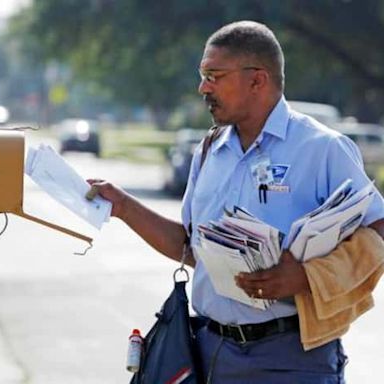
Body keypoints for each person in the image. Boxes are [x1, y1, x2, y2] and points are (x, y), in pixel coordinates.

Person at [89, 20, 384, 383]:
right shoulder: (210, 150)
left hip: (294, 358)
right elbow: (191, 247)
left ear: (257, 80)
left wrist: (306, 277)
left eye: (214, 76)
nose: (202, 88)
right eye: (202, 75)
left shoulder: (322, 148)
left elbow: (379, 228)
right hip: (212, 355)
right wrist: (122, 206)